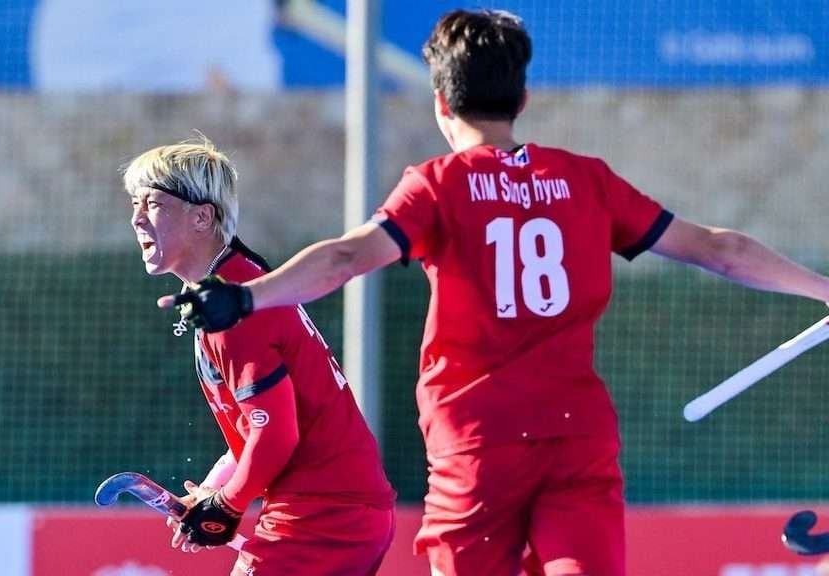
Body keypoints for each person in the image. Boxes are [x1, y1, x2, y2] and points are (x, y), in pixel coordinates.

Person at [160, 10, 829, 576]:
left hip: (476, 448)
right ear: (523, 98)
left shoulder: (438, 186)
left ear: (441, 103)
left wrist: (247, 297)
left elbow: (342, 259)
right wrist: (823, 288)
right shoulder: (586, 180)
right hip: (577, 443)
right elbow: (722, 250)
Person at [124, 136, 396, 576]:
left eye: (152, 203)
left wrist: (227, 505)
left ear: (201, 216)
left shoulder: (231, 306)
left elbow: (277, 435)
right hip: (337, 510)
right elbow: (259, 426)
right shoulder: (232, 288)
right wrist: (213, 491)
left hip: (323, 515)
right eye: (134, 203)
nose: (136, 217)